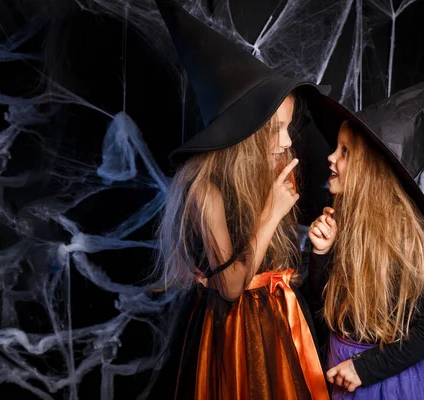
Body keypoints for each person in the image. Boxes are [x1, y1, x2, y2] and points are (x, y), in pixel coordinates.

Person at [149, 0, 332, 398]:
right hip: (230, 335)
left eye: (288, 127)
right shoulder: (204, 189)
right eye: (276, 130)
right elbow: (230, 287)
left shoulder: (267, 171)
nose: (286, 141)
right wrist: (270, 215)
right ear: (244, 135)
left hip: (275, 325)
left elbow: (277, 261)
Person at [307, 120, 424, 399]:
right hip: (337, 362)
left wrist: (364, 368)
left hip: (384, 380)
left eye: (345, 151)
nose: (331, 157)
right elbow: (323, 306)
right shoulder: (341, 219)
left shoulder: (401, 239)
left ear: (370, 170)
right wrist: (321, 253)